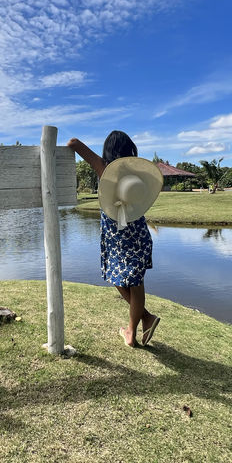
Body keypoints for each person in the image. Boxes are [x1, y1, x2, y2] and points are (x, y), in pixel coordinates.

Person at [67, 130, 161, 347]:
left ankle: (134, 329)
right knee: (135, 283)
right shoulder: (137, 175)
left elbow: (73, 142)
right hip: (139, 233)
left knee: (116, 276)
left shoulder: (106, 170)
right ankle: (140, 323)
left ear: (108, 150)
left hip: (118, 238)